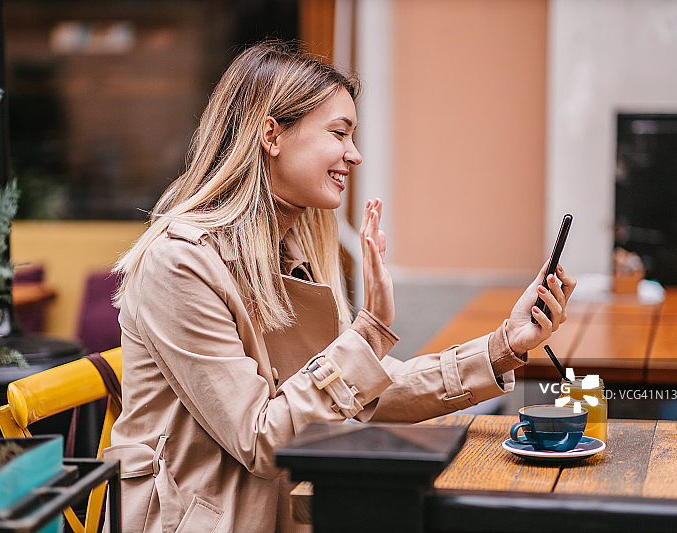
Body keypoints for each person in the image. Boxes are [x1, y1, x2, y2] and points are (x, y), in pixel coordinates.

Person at [104, 41, 576, 533]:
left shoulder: (286, 255)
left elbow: (364, 394)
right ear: (271, 133)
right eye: (339, 132)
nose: (354, 154)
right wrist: (368, 331)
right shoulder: (179, 265)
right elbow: (263, 438)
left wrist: (503, 346)